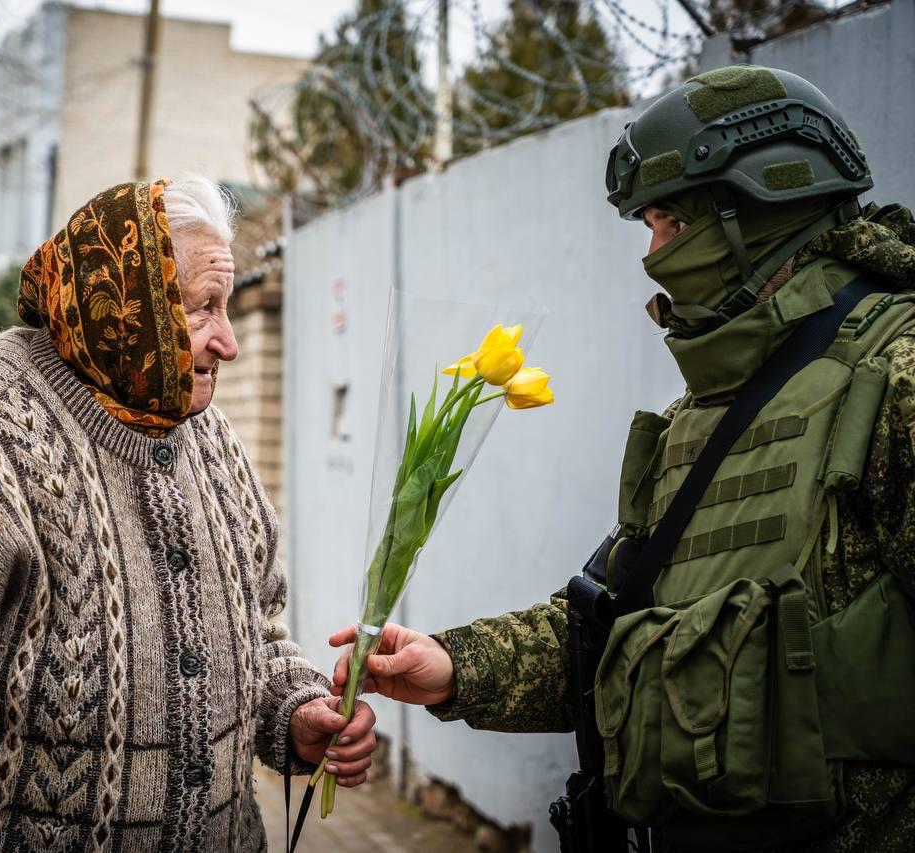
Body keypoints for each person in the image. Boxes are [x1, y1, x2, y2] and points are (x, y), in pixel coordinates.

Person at [331, 65, 915, 851]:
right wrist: (454, 664)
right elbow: (607, 626)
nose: (654, 252)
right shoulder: (695, 418)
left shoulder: (895, 376)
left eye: (669, 222)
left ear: (757, 210)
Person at [0, 176, 377, 852]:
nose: (228, 342)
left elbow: (255, 630)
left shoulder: (206, 433)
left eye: (227, 308)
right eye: (203, 308)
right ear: (126, 304)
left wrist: (294, 714)